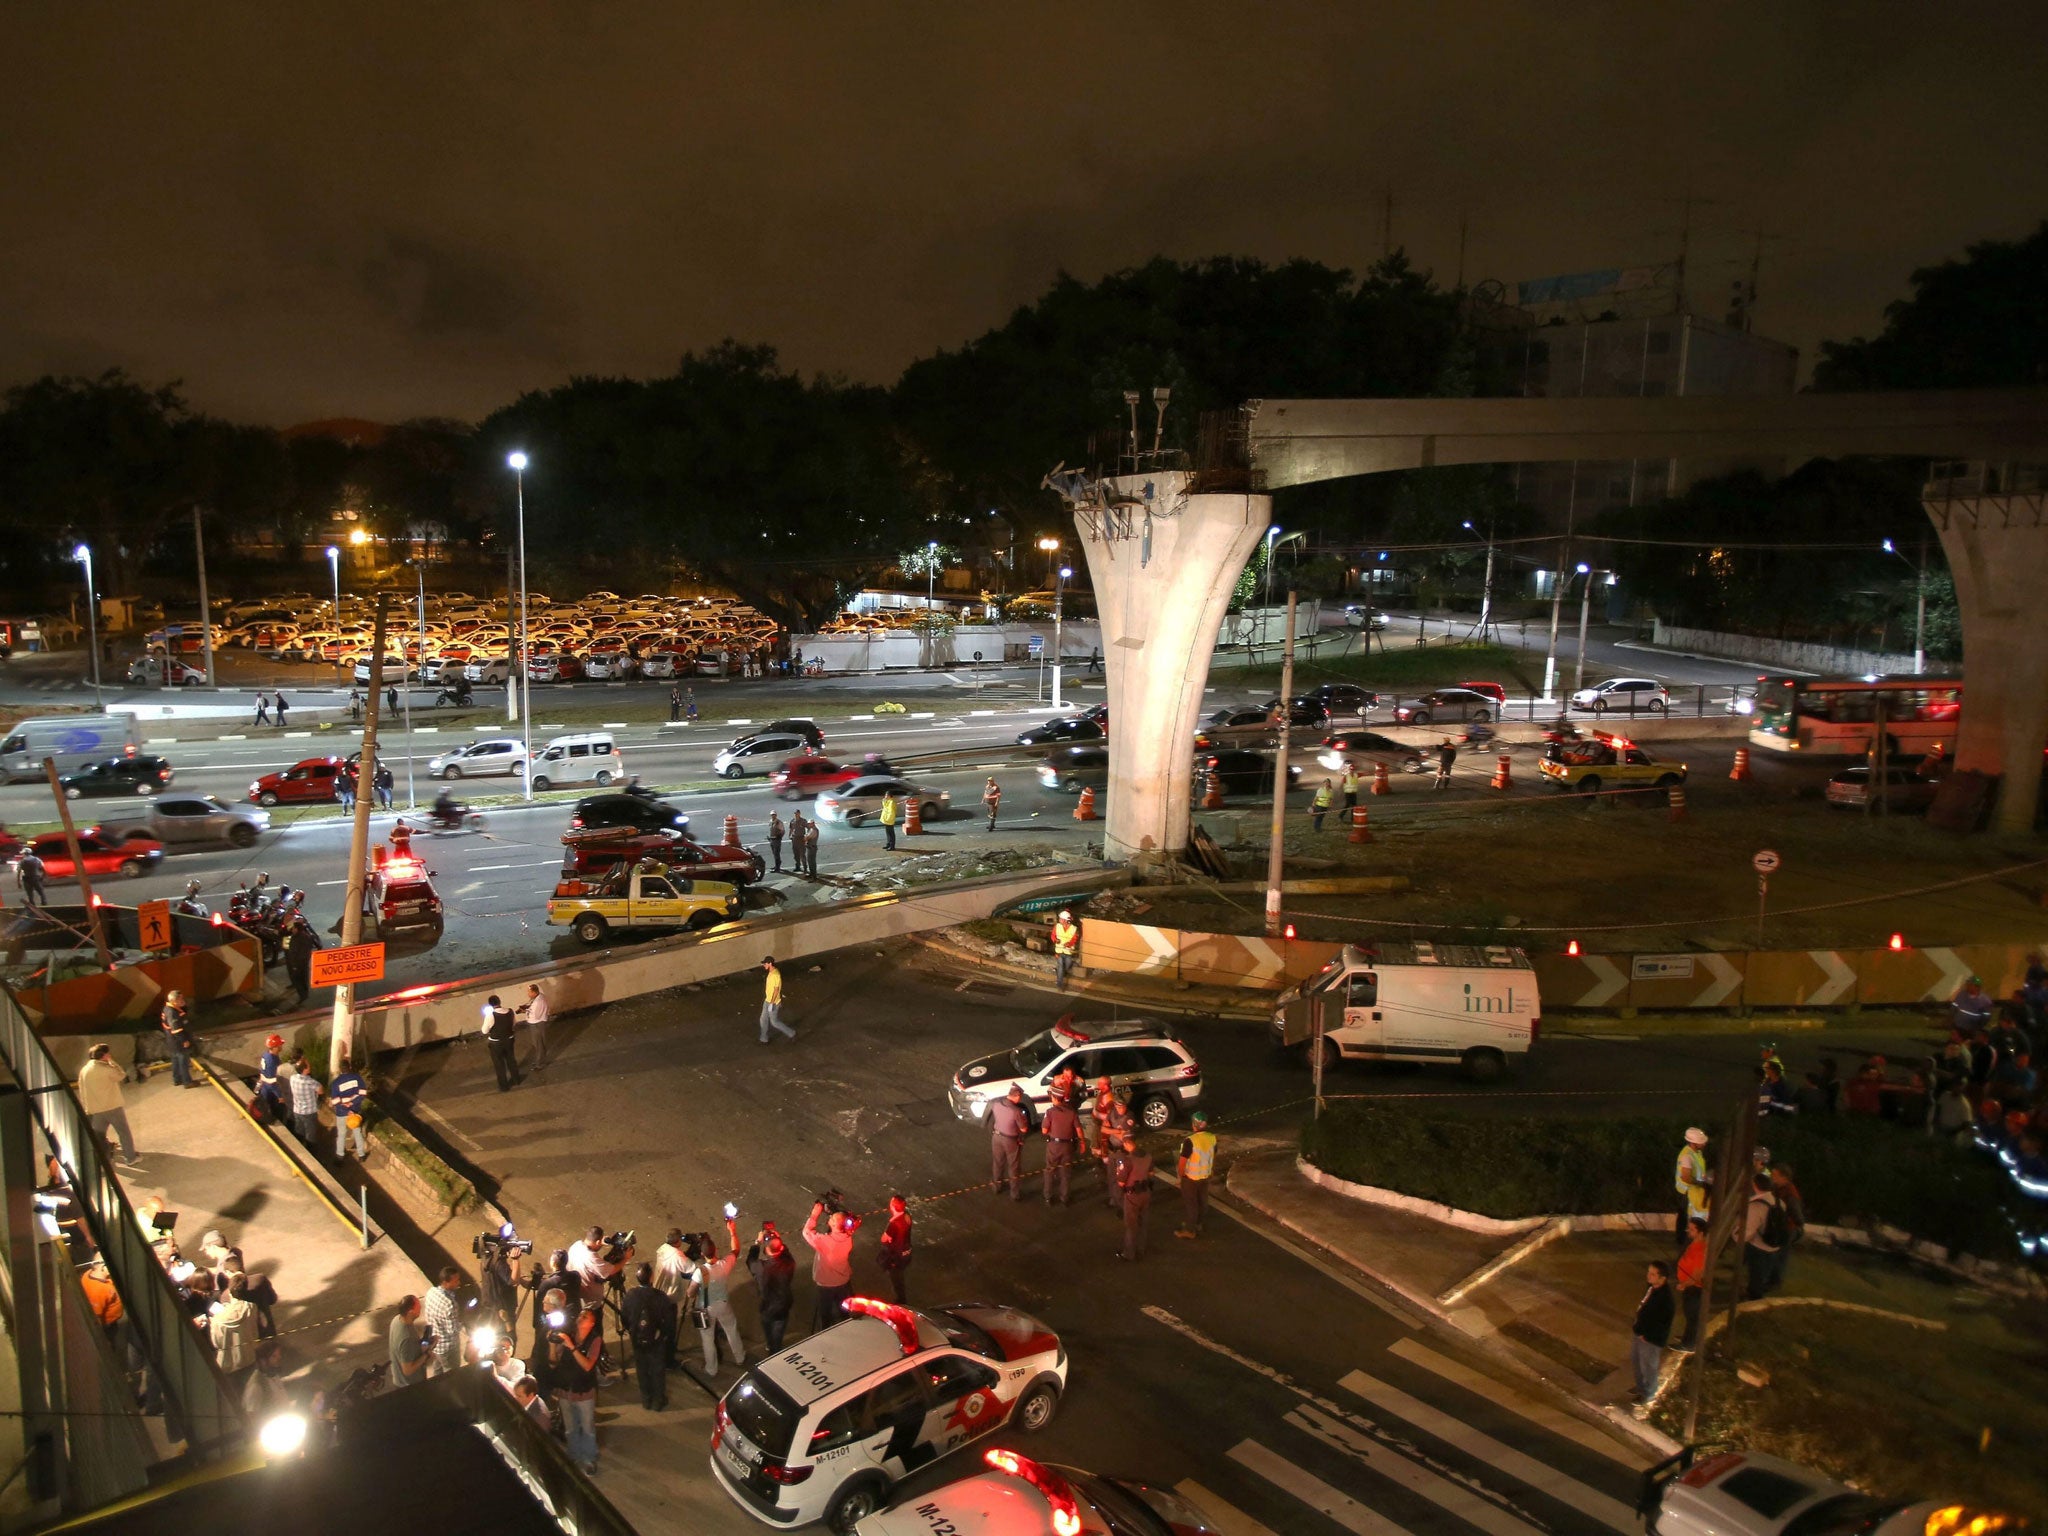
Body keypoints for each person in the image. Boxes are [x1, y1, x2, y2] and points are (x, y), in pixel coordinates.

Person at [549, 1299, 605, 1473]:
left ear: (592, 1323)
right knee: (570, 1427)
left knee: (587, 1428)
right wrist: (552, 1345)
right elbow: (552, 1363)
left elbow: (588, 1365)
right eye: (580, 1315)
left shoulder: (595, 1340)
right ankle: (573, 1454)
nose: (581, 1318)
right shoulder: (567, 1334)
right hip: (565, 1391)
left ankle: (588, 1458)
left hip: (584, 1392)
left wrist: (572, 1347)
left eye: (585, 1316)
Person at [687, 1212, 744, 1376]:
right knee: (731, 1329)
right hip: (723, 1304)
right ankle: (740, 1357)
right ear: (716, 1251)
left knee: (708, 1339)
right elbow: (736, 1249)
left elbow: (690, 1293)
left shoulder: (701, 1272)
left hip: (706, 1308)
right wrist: (732, 1231)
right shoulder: (724, 1265)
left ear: (702, 1254)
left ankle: (711, 1369)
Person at [621, 1261, 676, 1410]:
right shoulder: (660, 1297)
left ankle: (646, 1399)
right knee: (658, 1370)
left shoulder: (630, 1296)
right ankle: (658, 1400)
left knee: (642, 1369)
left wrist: (632, 1330)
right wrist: (663, 1334)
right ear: (651, 1277)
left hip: (637, 1339)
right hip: (656, 1340)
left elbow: (624, 1317)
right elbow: (669, 1321)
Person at [801, 1200, 856, 1334]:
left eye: (831, 1218)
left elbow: (807, 1232)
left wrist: (814, 1215)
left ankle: (826, 1332)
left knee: (825, 1313)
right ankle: (848, 1329)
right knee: (844, 1309)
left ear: (835, 1224)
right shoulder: (847, 1237)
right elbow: (844, 1225)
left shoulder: (825, 1242)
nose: (829, 1219)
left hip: (826, 1285)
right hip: (842, 1281)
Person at [79, 1044, 138, 1164]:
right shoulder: (107, 1070)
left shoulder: (84, 1071)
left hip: (94, 1109)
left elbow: (81, 1090)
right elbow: (121, 1075)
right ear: (104, 1056)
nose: (110, 1055)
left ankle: (102, 1161)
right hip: (111, 1107)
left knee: (99, 1137)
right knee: (123, 1132)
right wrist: (112, 1062)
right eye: (108, 1054)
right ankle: (130, 1157)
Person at [1630, 1261, 1675, 1407]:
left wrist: (1646, 1335)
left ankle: (1648, 1393)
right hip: (1640, 1333)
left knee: (1648, 1366)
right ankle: (1641, 1386)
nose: (1648, 1276)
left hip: (1650, 1339)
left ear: (1662, 1278)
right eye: (1648, 1272)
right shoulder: (1652, 1288)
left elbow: (1661, 1323)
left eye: (1653, 1274)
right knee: (1636, 1361)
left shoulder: (1665, 1299)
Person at [1742, 1171, 1785, 1299]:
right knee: (1763, 1275)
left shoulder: (1756, 1205)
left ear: (1755, 1186)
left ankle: (1753, 1300)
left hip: (1758, 1247)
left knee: (1756, 1276)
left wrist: (1737, 1237)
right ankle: (1755, 1293)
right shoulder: (1779, 1202)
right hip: (1774, 1246)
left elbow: (1748, 1232)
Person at [210, 1273, 260, 1382]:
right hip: (248, 1357)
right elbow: (254, 1332)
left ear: (230, 1291)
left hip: (227, 1364)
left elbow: (216, 1343)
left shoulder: (218, 1319)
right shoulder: (252, 1307)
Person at [568, 1226, 631, 1310]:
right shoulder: (591, 1258)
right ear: (597, 1242)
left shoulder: (576, 1245)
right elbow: (612, 1270)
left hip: (576, 1290)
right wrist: (626, 1258)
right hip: (590, 1300)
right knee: (595, 1319)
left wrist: (601, 1242)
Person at [988, 1084, 1032, 1199]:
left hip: (996, 1137)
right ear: (1017, 1096)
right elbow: (1024, 1129)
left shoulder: (996, 1104)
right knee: (1013, 1166)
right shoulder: (1016, 1111)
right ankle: (1014, 1193)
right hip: (1010, 1140)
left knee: (998, 1162)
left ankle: (997, 1186)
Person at [1176, 1111, 1216, 1238]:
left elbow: (1182, 1162)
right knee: (1203, 1202)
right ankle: (1198, 1223)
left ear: (1194, 1125)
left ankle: (1189, 1230)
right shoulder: (1212, 1138)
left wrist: (1181, 1176)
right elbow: (1212, 1155)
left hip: (1191, 1178)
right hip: (1205, 1176)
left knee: (1191, 1204)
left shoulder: (1190, 1141)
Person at [1115, 1133, 1154, 1262]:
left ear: (1127, 1143)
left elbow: (1121, 1182)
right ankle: (1141, 1249)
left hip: (1132, 1195)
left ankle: (1129, 1253)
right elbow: (1151, 1173)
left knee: (1131, 1225)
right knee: (1143, 1222)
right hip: (1146, 1193)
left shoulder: (1128, 1160)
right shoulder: (1148, 1156)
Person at [1041, 1087, 1082, 1206]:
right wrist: (1082, 1142)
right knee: (1065, 1173)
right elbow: (1079, 1130)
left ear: (1054, 1098)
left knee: (1049, 1170)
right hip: (1068, 1146)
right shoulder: (1072, 1112)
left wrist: (1053, 1132)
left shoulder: (1050, 1112)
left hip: (1054, 1145)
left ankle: (1048, 1196)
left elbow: (1044, 1131)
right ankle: (1064, 1198)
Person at [1674, 1127, 1711, 1253]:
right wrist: (1701, 1183)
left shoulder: (1696, 1153)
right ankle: (1684, 1243)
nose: (1704, 1143)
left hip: (1693, 1191)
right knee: (1687, 1218)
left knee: (1685, 1217)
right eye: (1701, 1141)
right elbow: (1685, 1176)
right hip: (1687, 1192)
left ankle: (1684, 1241)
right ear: (1693, 1143)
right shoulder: (1687, 1156)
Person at [1674, 1214, 1708, 1350]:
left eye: (1691, 1229)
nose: (1688, 1231)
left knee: (1692, 1317)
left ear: (1700, 1232)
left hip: (1694, 1288)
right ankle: (1687, 1338)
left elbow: (1697, 1275)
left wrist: (1684, 1284)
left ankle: (1689, 1344)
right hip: (1690, 1287)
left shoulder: (1700, 1250)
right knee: (1690, 1316)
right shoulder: (1694, 1244)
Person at [422, 1265, 464, 1377]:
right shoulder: (450, 1304)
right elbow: (452, 1330)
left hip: (435, 1344)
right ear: (446, 1282)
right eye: (456, 1281)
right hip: (448, 1348)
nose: (459, 1283)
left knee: (437, 1372)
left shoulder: (431, 1292)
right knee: (452, 1376)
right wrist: (463, 1324)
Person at [331, 1053, 369, 1161]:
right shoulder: (357, 1078)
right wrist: (352, 1106)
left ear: (340, 1069)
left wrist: (346, 1110)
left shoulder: (336, 1083)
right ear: (350, 1067)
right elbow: (362, 1093)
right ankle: (361, 1155)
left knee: (341, 1134)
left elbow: (335, 1101)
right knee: (357, 1131)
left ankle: (340, 1156)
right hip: (355, 1111)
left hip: (341, 1113)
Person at [388, 1296, 431, 1388]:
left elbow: (406, 1349)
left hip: (399, 1380)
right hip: (410, 1385)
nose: (420, 1308)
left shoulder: (396, 1319)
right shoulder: (407, 1337)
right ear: (411, 1312)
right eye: (418, 1307)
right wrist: (426, 1355)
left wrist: (422, 1343)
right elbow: (407, 1370)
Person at [877, 1196, 912, 1303]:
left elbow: (883, 1239)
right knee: (899, 1275)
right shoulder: (907, 1216)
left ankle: (901, 1301)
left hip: (895, 1257)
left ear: (893, 1206)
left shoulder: (893, 1224)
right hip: (905, 1253)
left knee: (896, 1280)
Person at [481, 995, 519, 1091]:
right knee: (511, 1060)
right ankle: (517, 1080)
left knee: (499, 1064)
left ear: (490, 1004)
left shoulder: (490, 1015)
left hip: (496, 1043)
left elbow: (484, 1031)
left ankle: (504, 1086)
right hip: (509, 1039)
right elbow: (514, 1024)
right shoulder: (510, 1011)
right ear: (499, 1001)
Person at [287, 1053, 324, 1151]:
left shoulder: (293, 1078)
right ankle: (311, 1152)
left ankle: (299, 1149)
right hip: (309, 1112)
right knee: (310, 1134)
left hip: (297, 1110)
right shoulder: (310, 1082)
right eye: (308, 1065)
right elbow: (320, 1090)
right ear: (305, 1069)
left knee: (299, 1131)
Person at [513, 982, 552, 1071]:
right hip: (536, 1024)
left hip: (537, 1024)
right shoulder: (538, 997)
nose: (528, 994)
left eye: (529, 992)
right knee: (538, 1043)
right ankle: (540, 1060)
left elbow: (536, 1015)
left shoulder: (538, 1002)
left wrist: (525, 1011)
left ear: (534, 992)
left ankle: (540, 1063)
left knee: (538, 1044)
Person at [759, 957, 795, 1044]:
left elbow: (776, 990)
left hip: (773, 1002)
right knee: (763, 1019)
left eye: (765, 964)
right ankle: (764, 1038)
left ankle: (791, 1033)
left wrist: (772, 1003)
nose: (764, 965)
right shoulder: (771, 972)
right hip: (767, 1000)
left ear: (770, 963)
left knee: (774, 1022)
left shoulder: (775, 975)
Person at [255, 1033, 285, 1122]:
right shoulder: (271, 1061)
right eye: (280, 1044)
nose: (281, 1046)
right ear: (275, 1047)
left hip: (265, 1087)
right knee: (275, 1109)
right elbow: (272, 1082)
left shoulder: (267, 1055)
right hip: (271, 1090)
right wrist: (279, 1095)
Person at [282, 920, 314, 1005]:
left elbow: (302, 952)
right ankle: (304, 994)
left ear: (296, 929)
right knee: (302, 978)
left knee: (299, 979)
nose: (292, 930)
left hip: (299, 963)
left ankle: (303, 995)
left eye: (293, 928)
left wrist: (295, 964)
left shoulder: (300, 938)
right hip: (301, 962)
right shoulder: (300, 936)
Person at [1051, 910, 1080, 991]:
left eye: (1061, 919)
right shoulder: (1057, 926)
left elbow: (1074, 939)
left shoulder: (1074, 929)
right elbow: (1053, 935)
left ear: (1065, 920)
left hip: (1068, 951)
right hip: (1059, 951)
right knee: (1060, 966)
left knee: (1067, 966)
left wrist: (1069, 944)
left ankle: (1060, 973)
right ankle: (1060, 985)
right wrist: (1055, 940)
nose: (1059, 920)